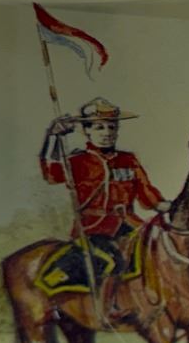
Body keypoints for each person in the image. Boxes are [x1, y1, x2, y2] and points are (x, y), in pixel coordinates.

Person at [39, 98, 168, 290]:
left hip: (130, 226)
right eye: (99, 127)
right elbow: (50, 175)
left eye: (112, 127)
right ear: (86, 131)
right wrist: (52, 136)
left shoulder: (128, 159)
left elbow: (147, 194)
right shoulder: (78, 161)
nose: (107, 133)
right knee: (110, 262)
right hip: (94, 229)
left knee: (160, 253)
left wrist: (170, 207)